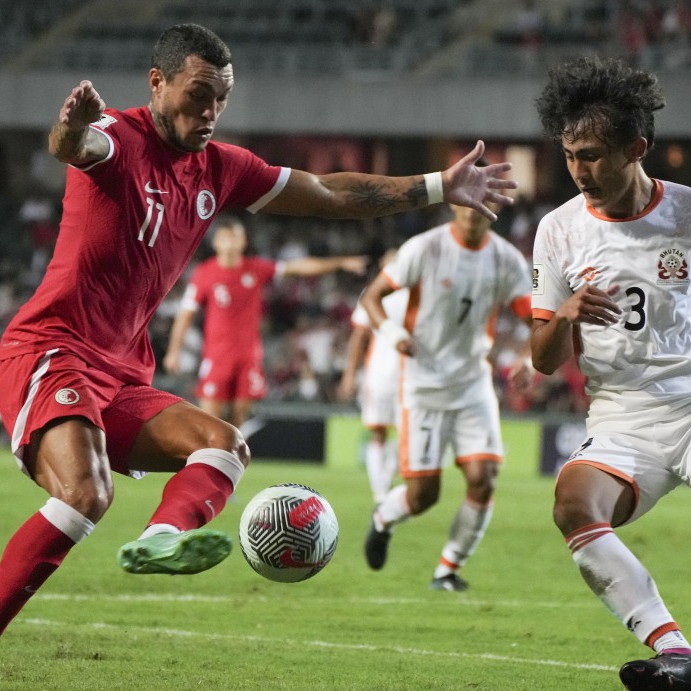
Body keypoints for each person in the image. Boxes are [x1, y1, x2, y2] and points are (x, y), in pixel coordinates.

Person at [0, 23, 517, 665]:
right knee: (85, 494)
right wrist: (70, 128)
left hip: (122, 373)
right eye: (198, 95)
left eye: (221, 99)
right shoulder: (120, 139)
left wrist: (437, 187)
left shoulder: (221, 168)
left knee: (225, 445)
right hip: (51, 350)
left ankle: (161, 536)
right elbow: (75, 146)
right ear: (157, 83)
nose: (210, 112)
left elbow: (328, 193)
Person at [531, 56, 691, 691]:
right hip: (622, 418)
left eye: (593, 155)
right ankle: (678, 654)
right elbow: (542, 359)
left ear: (637, 147)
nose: (579, 171)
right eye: (570, 155)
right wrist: (566, 315)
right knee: (573, 505)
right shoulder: (558, 231)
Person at [360, 203, 533, 591]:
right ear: (454, 203)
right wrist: (394, 334)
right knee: (423, 496)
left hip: (473, 384)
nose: (473, 209)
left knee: (484, 477)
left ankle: (448, 569)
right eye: (467, 199)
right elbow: (372, 297)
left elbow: (537, 321)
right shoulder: (424, 248)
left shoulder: (507, 260)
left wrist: (528, 359)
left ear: (495, 207)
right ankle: (384, 518)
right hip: (423, 385)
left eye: (483, 200)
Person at [163, 214, 367, 430]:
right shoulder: (205, 273)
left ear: (244, 242)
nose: (230, 242)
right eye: (225, 237)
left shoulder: (256, 268)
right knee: (210, 423)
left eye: (235, 237)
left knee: (236, 425)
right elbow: (185, 315)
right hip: (217, 357)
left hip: (248, 358)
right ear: (216, 243)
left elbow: (296, 267)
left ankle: (229, 451)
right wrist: (174, 351)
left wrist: (340, 263)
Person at [338, 250, 408, 504]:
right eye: (389, 261)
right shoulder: (372, 294)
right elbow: (359, 337)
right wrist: (349, 375)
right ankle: (380, 493)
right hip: (379, 374)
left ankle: (386, 477)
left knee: (408, 434)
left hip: (413, 375)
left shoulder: (417, 292)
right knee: (378, 431)